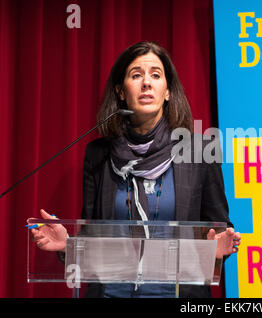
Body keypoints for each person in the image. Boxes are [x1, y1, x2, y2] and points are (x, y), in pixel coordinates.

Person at [29, 41, 241, 298]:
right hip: (111, 293)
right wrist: (68, 245)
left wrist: (216, 251)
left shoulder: (200, 151)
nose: (147, 83)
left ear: (167, 92)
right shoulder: (99, 154)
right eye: (136, 75)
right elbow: (94, 237)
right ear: (120, 91)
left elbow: (219, 231)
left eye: (155, 75)